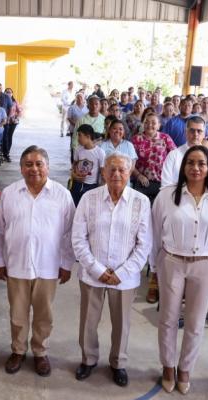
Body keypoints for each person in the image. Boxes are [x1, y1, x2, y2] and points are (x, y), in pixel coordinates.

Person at [151, 146, 208, 394]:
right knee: (168, 318)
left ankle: (185, 368)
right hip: (172, 261)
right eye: (191, 163)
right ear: (183, 167)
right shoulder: (166, 196)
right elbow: (154, 232)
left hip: (204, 264)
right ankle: (168, 365)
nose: (196, 168)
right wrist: (155, 265)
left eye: (201, 164)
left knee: (196, 322)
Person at [0, 145, 75, 376]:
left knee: (43, 314)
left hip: (48, 266)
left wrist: (66, 264)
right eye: (28, 164)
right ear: (20, 168)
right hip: (16, 264)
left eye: (39, 164)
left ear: (47, 167)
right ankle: (18, 350)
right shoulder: (9, 194)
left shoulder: (62, 195)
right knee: (17, 313)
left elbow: (70, 233)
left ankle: (40, 351)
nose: (34, 169)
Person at [71, 153, 151, 387]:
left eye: (122, 170)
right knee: (88, 320)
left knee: (122, 323)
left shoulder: (140, 202)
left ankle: (118, 363)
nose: (116, 174)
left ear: (129, 172)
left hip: (124, 279)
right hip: (92, 275)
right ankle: (88, 359)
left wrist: (122, 272)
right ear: (103, 172)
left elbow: (144, 244)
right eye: (112, 170)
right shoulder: (89, 198)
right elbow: (78, 238)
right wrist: (96, 269)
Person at [161, 116, 208, 191]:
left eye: (199, 131)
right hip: (176, 198)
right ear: (185, 132)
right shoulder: (173, 155)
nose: (195, 134)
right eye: (192, 130)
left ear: (204, 134)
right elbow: (165, 184)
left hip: (205, 199)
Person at [70, 124, 105, 206]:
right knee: (75, 205)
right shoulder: (78, 149)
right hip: (77, 184)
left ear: (88, 136)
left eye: (80, 136)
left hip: (91, 186)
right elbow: (74, 165)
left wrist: (101, 188)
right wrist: (74, 175)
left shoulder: (100, 152)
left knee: (89, 208)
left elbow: (102, 173)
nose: (78, 139)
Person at [1, 87, 20, 163]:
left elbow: (19, 111)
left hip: (12, 122)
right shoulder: (2, 101)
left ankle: (7, 152)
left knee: (9, 136)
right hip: (4, 122)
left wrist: (15, 117)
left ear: (12, 94)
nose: (8, 93)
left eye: (10, 92)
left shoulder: (15, 102)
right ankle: (4, 152)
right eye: (7, 92)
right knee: (4, 137)